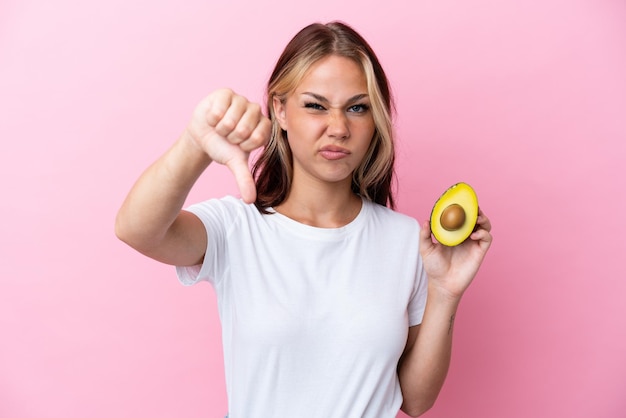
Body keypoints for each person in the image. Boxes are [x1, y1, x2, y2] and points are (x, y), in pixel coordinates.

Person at [115, 21, 492, 418]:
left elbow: (415, 400)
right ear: (280, 109)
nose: (339, 128)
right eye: (315, 105)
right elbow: (136, 229)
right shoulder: (237, 228)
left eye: (357, 108)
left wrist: (446, 292)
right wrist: (195, 142)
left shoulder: (405, 241)